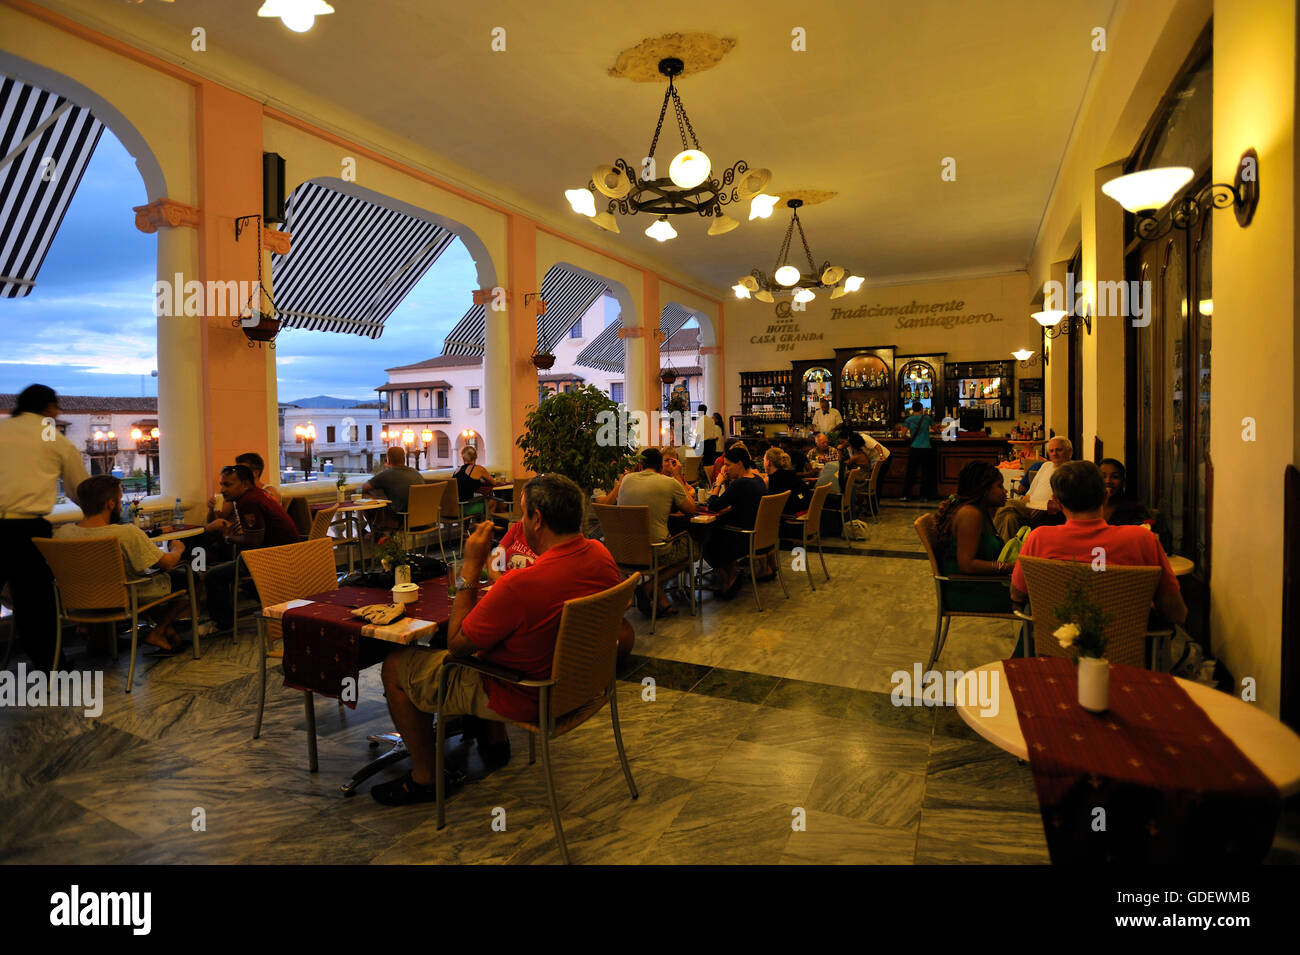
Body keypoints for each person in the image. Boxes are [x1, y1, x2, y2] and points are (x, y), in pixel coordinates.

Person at [373, 474, 623, 805]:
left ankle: (426, 777)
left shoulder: (521, 583)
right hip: (582, 686)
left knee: (395, 666)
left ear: (537, 519)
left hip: (527, 693)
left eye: (523, 513)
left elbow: (457, 645)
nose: (520, 521)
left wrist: (471, 569)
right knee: (489, 642)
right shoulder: (600, 554)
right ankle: (493, 740)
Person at [1010, 461, 1187, 627]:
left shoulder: (1039, 539)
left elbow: (1017, 594)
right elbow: (1176, 613)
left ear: (1056, 501)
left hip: (1056, 649)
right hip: (1126, 652)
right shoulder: (1141, 539)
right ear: (1105, 495)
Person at [0, 384, 91, 668]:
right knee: (35, 603)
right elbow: (80, 489)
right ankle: (49, 666)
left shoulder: (3, 429)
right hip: (26, 530)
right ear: (49, 408)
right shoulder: (54, 438)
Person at [54, 475, 190, 654]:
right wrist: (177, 550)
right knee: (188, 577)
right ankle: (158, 631)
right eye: (119, 500)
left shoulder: (63, 533)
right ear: (110, 504)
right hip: (124, 596)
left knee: (144, 580)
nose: (120, 504)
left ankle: (169, 634)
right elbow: (166, 564)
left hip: (80, 601)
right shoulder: (126, 533)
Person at [204, 464, 301, 632]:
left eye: (227, 485)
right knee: (236, 569)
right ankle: (275, 608)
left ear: (246, 484)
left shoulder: (249, 501)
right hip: (285, 552)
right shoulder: (257, 495)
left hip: (271, 555)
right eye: (222, 484)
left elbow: (254, 541)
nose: (222, 490)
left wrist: (228, 538)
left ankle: (223, 624)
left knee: (213, 575)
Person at [615, 447, 697, 617]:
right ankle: (650, 586)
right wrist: (677, 476)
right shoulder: (669, 483)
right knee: (693, 547)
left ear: (641, 464)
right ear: (660, 465)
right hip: (655, 550)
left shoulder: (626, 480)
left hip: (625, 549)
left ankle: (658, 595)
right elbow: (691, 508)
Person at [933, 461, 1014, 612]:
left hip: (981, 583)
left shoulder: (983, 511)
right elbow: (967, 565)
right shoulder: (971, 514)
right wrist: (1008, 568)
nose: (1005, 491)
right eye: (1000, 486)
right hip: (967, 590)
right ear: (984, 490)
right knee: (1037, 600)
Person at [703, 444, 769, 598]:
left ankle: (729, 579)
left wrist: (718, 483)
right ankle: (732, 576)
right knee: (714, 533)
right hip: (757, 536)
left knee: (705, 540)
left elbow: (713, 506)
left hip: (742, 538)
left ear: (739, 464)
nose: (725, 469)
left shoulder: (741, 483)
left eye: (727, 465)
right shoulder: (757, 479)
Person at [994, 435, 1072, 539]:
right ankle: (1010, 552)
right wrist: (1023, 503)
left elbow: (1068, 500)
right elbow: (1030, 493)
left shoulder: (1072, 470)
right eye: (1052, 451)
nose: (1054, 454)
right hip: (1030, 505)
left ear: (1069, 452)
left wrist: (1042, 508)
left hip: (1045, 508)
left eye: (1059, 450)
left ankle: (994, 539)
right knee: (1009, 517)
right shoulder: (1046, 466)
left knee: (1007, 503)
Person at [362, 446, 426, 528]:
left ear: (388, 460)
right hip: (423, 519)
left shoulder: (387, 475)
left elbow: (363, 488)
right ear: (404, 459)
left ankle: (376, 534)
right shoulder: (416, 473)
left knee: (366, 499)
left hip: (402, 521)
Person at [899, 401, 936, 502]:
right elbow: (936, 429)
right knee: (925, 473)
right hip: (926, 448)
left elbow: (902, 435)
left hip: (914, 448)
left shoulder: (909, 419)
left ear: (912, 409)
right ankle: (924, 496)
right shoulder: (927, 418)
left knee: (910, 472)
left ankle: (906, 495)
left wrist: (910, 439)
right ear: (921, 409)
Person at [1099, 458, 1150, 526]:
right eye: (1103, 476)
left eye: (1115, 477)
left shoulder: (1135, 510)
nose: (1108, 481)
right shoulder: (1087, 508)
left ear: (1123, 481)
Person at [451, 445, 497, 517]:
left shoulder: (457, 470)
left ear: (463, 457)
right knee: (493, 501)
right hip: (466, 509)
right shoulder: (479, 469)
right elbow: (493, 482)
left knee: (478, 499)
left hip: (453, 508)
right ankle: (487, 526)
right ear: (475, 456)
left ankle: (480, 525)